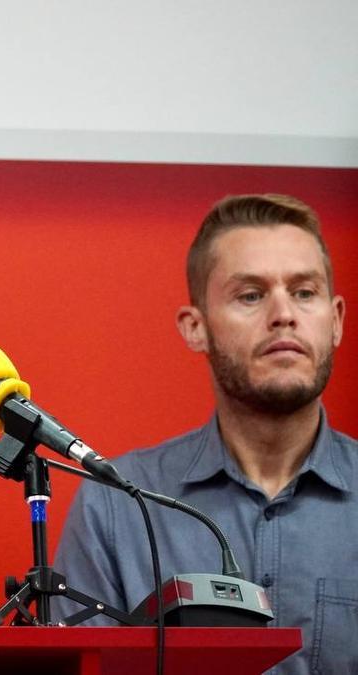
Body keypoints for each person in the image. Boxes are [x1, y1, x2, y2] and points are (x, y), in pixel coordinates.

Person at [54, 194, 354, 674]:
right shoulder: (119, 505)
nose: (284, 314)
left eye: (304, 292)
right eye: (250, 295)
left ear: (336, 320)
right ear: (196, 328)